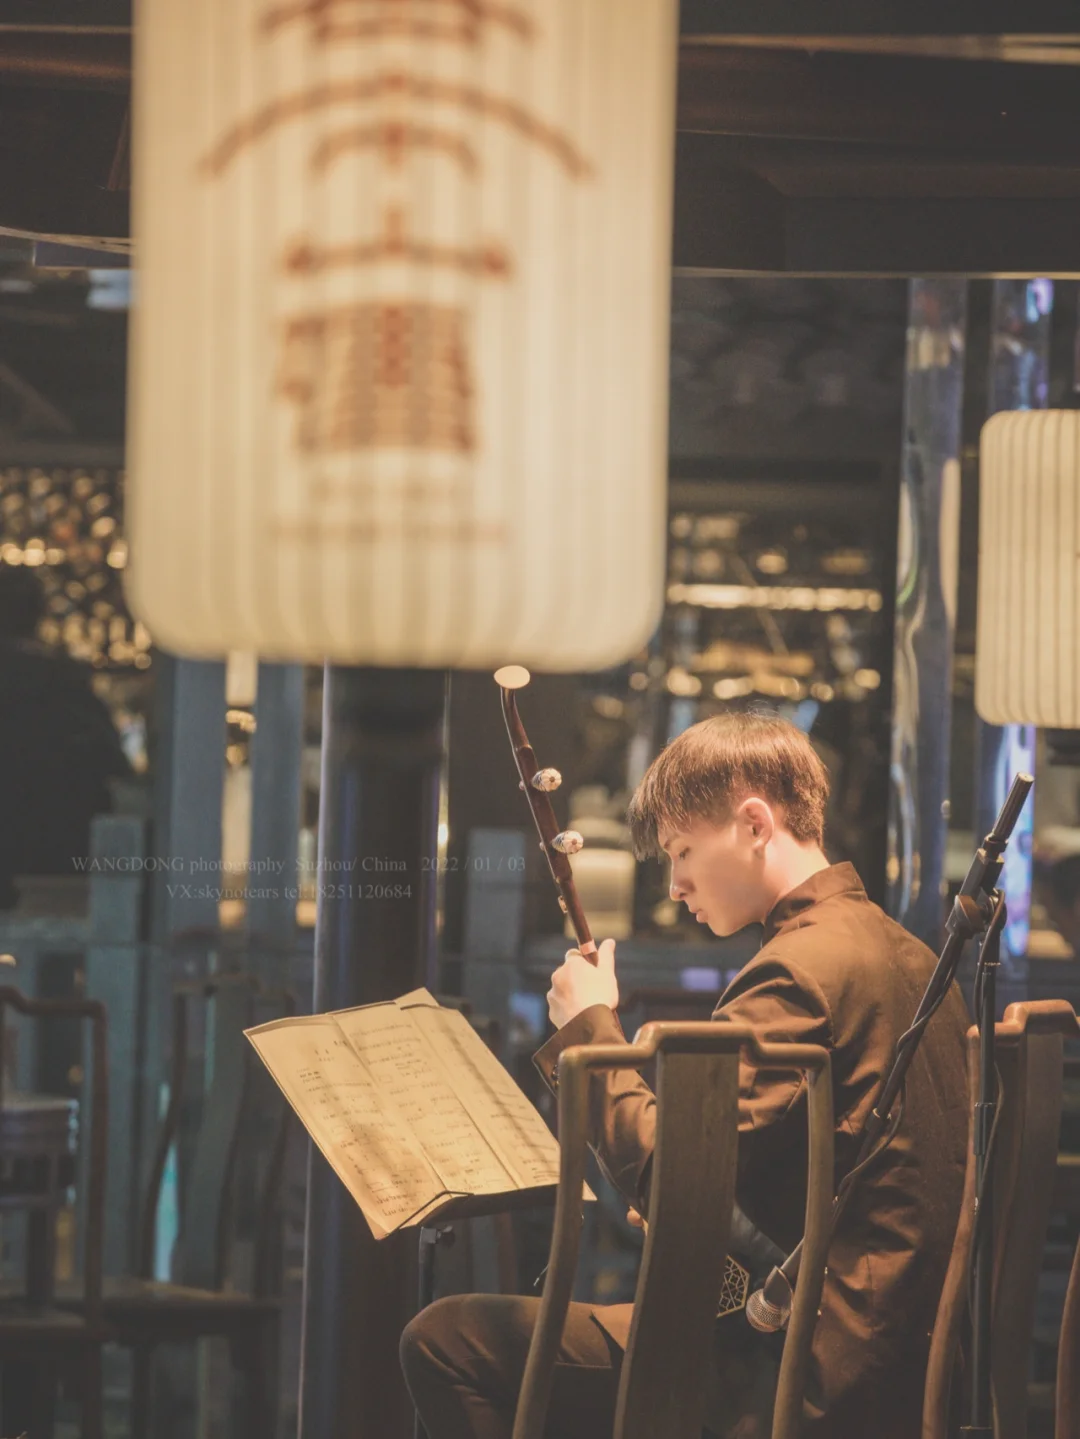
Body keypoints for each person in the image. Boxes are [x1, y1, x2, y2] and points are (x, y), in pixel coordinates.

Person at [401, 712, 970, 1439]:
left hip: (801, 1369)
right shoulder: (912, 955)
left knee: (448, 1340)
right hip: (905, 1362)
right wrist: (705, 1197)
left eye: (683, 851)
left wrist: (588, 1024)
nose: (674, 886)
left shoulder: (795, 972)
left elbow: (675, 1180)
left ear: (755, 823)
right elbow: (856, 1175)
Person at [0, 565, 130, 909]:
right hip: (55, 857)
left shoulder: (60, 681)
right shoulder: (64, 684)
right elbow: (113, 764)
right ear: (40, 614)